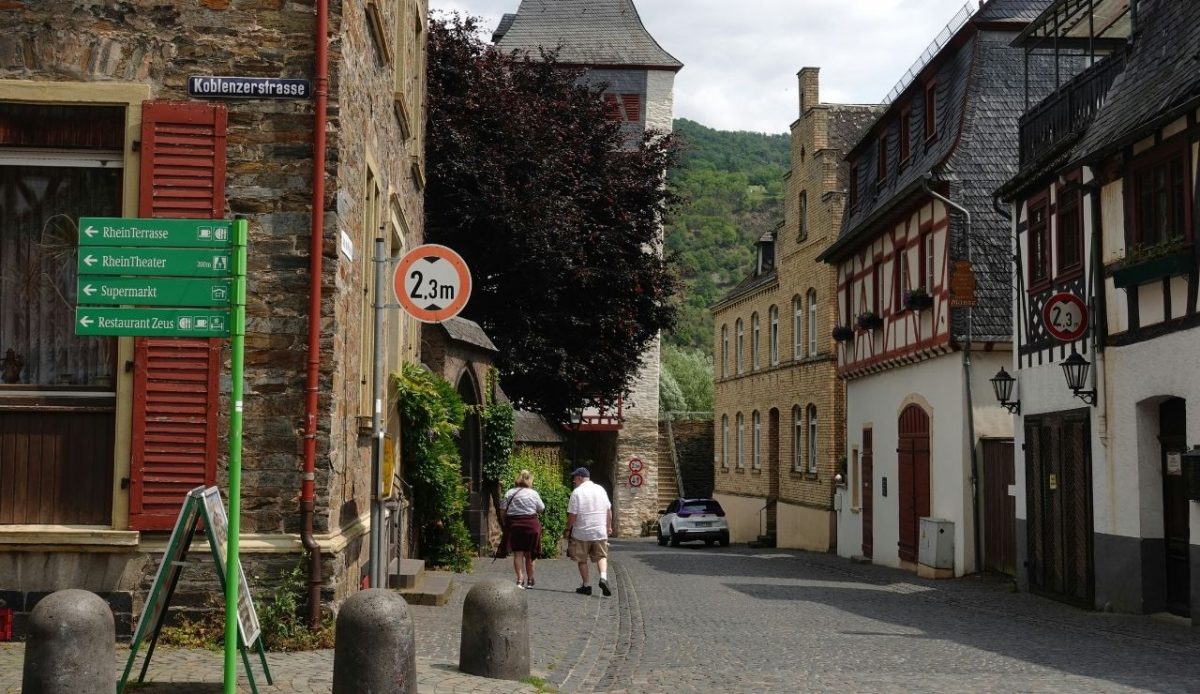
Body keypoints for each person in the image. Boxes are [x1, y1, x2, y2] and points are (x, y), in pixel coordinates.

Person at [565, 467, 613, 596]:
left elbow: (572, 515)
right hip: (599, 531)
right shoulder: (601, 489)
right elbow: (608, 511)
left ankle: (586, 585)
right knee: (601, 556)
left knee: (582, 559)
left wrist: (568, 528)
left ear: (580, 477)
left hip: (582, 532)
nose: (574, 481)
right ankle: (603, 577)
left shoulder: (577, 492)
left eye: (575, 478)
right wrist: (608, 527)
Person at [501, 469, 545, 589]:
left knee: (518, 554)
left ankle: (520, 580)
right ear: (530, 480)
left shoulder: (509, 492)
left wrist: (505, 522)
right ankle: (530, 580)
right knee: (530, 554)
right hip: (531, 525)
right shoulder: (533, 493)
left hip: (514, 526)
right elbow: (541, 508)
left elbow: (503, 510)